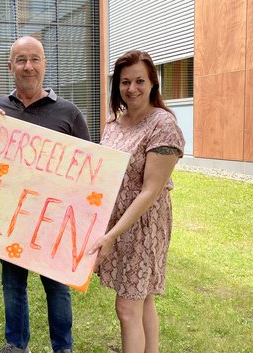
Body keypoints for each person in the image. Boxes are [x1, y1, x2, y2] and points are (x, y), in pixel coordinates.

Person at [0, 36, 91, 353]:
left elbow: (90, 170)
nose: (28, 66)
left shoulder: (69, 113)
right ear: (10, 66)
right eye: (21, 59)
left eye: (35, 59)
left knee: (57, 287)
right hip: (13, 217)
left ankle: (63, 347)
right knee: (12, 286)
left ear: (44, 64)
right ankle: (16, 344)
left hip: (55, 220)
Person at [88, 50, 185, 353]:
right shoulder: (113, 125)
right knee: (142, 301)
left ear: (153, 82)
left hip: (144, 226)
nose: (132, 89)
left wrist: (111, 235)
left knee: (127, 309)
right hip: (116, 222)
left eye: (140, 81)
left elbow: (150, 190)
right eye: (125, 82)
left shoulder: (163, 124)